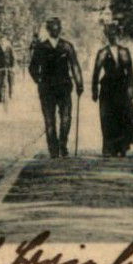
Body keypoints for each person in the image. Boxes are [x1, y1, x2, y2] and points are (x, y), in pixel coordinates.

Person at [28, 17, 84, 158]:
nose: (55, 29)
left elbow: (75, 66)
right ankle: (53, 149)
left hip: (64, 87)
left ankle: (62, 145)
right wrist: (38, 80)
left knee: (66, 118)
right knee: (49, 120)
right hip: (46, 88)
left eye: (58, 27)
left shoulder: (67, 46)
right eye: (52, 27)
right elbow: (32, 67)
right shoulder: (41, 47)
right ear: (48, 29)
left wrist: (79, 83)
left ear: (60, 29)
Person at [93, 22, 133, 157]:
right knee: (107, 116)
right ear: (107, 36)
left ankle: (122, 146)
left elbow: (130, 71)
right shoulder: (102, 52)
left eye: (115, 34)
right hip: (107, 88)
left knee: (123, 115)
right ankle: (108, 147)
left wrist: (131, 88)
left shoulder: (124, 51)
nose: (113, 37)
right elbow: (96, 72)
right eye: (110, 34)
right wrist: (94, 89)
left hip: (121, 87)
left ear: (118, 35)